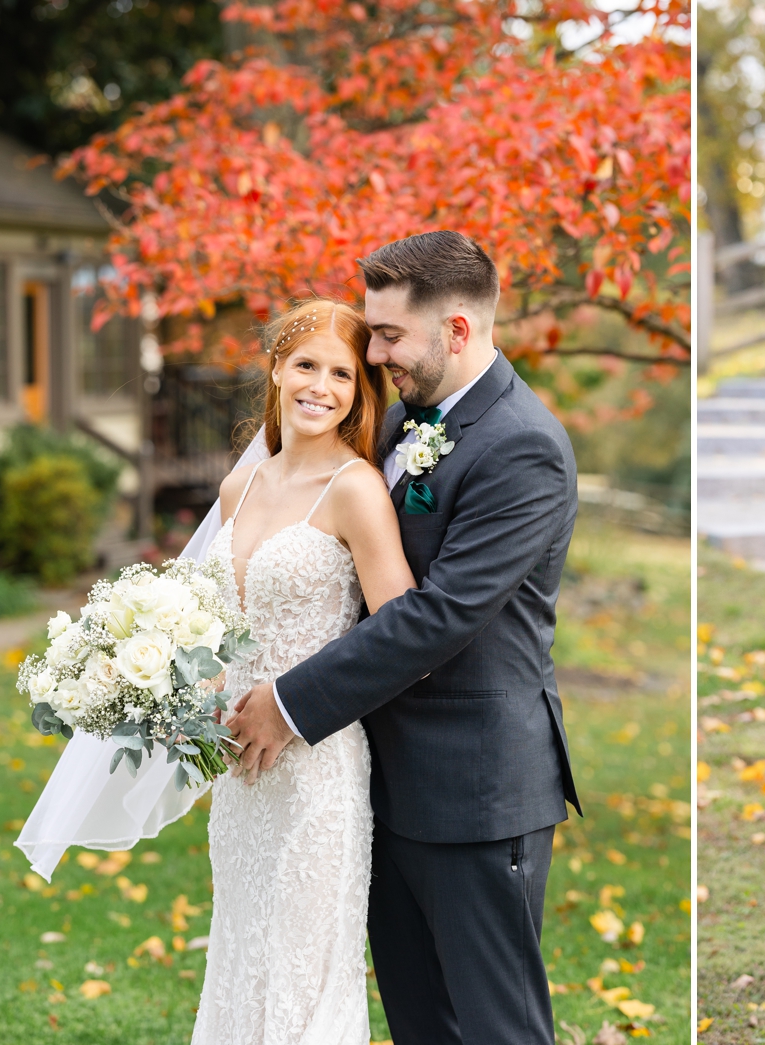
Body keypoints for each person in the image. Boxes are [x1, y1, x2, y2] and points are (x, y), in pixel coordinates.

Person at [226, 231, 581, 1045]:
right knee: (423, 1024)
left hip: (477, 788)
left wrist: (288, 700)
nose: (373, 349)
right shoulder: (396, 424)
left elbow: (441, 615)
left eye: (388, 335)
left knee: (496, 1027)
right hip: (376, 779)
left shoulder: (524, 446)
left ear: (456, 330)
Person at [193, 296, 407, 1044]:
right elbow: (220, 628)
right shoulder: (237, 488)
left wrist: (297, 705)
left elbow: (400, 633)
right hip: (240, 772)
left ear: (360, 391)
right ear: (277, 369)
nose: (321, 385)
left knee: (301, 975)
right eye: (306, 364)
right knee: (241, 954)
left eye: (342, 374)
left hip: (318, 766)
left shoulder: (355, 488)